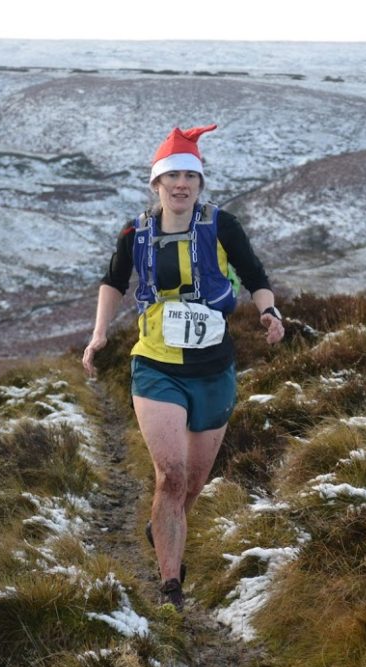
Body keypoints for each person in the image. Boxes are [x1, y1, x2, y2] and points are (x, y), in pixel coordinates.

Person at [82, 124, 285, 611]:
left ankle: (164, 525)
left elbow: (255, 276)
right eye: (171, 176)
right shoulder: (136, 231)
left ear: (199, 183)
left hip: (214, 369)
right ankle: (171, 586)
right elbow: (113, 281)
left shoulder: (222, 226)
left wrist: (269, 311)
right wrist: (100, 333)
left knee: (192, 484)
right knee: (170, 476)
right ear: (156, 183)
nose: (180, 184)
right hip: (156, 366)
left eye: (189, 177)